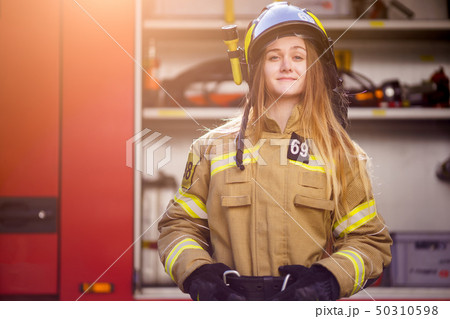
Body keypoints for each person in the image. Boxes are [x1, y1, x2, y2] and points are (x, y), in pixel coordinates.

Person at [157, 2, 392, 301]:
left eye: (298, 56)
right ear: (256, 68)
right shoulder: (211, 148)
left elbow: (369, 242)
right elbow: (178, 226)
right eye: (274, 56)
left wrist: (327, 280)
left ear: (314, 67)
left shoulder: (341, 153)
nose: (286, 66)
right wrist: (198, 273)